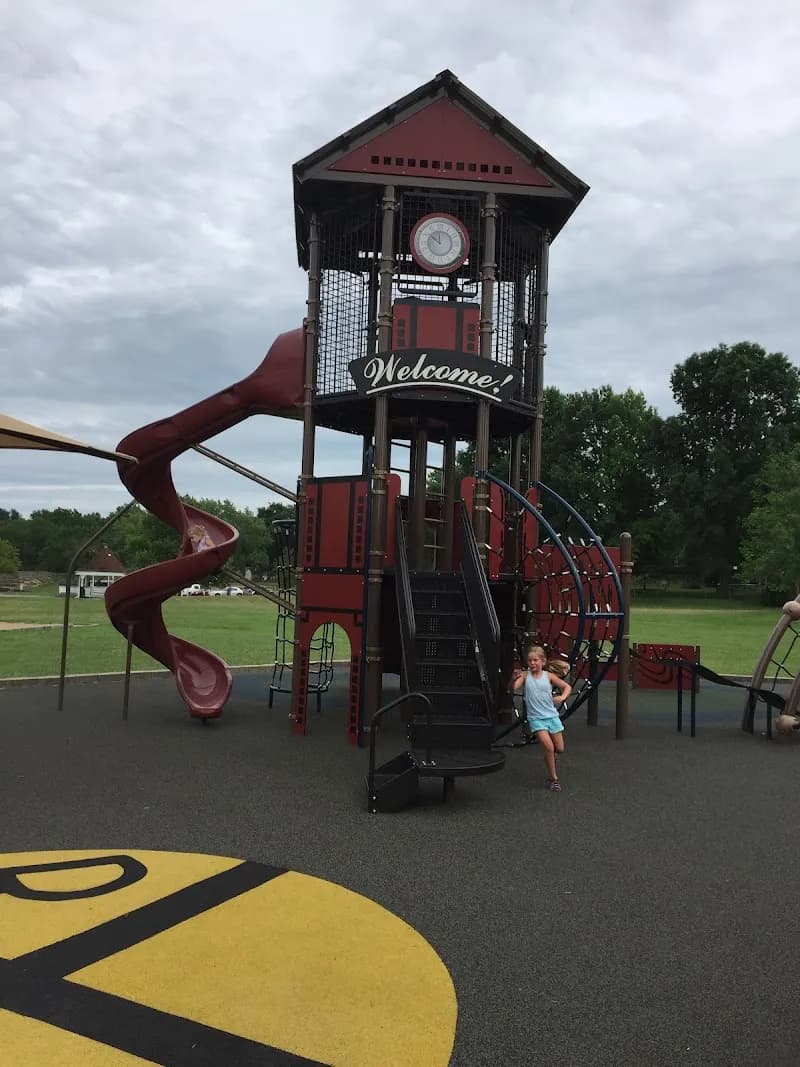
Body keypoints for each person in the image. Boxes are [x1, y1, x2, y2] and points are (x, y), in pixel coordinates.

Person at [511, 645, 572, 791]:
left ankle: (551, 757)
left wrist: (562, 697)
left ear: (543, 662)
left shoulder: (548, 676)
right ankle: (554, 779)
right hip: (536, 718)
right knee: (549, 748)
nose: (532, 663)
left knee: (560, 748)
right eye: (530, 661)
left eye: (535, 660)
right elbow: (513, 688)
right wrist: (513, 679)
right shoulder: (525, 676)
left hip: (551, 716)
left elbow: (567, 687)